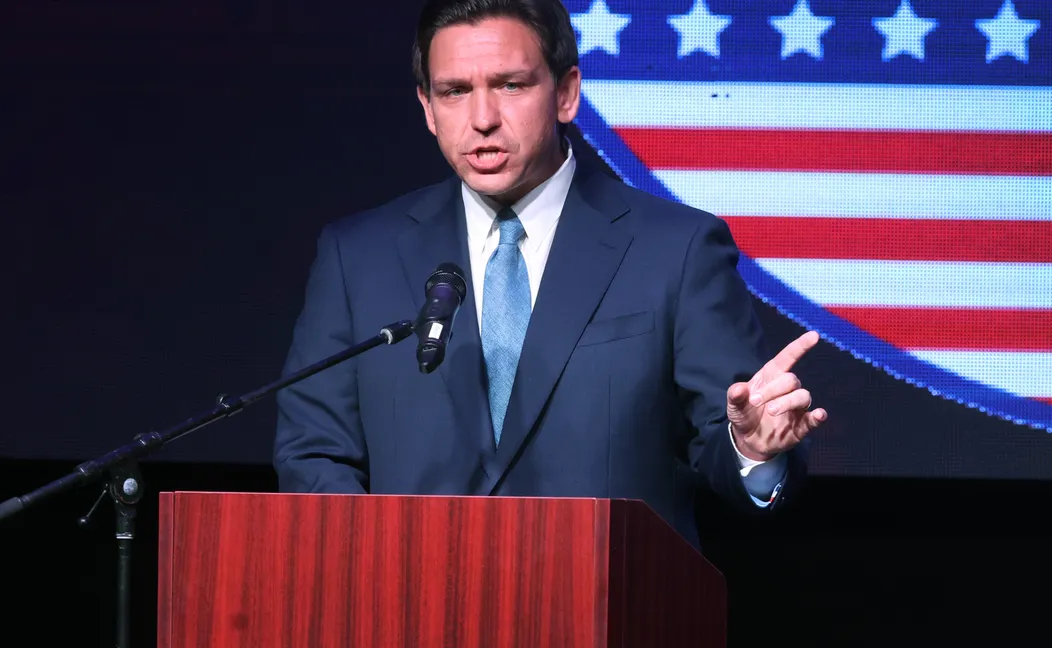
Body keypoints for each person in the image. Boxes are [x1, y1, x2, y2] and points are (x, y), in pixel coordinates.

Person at [273, 0, 827, 548]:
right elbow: (314, 452)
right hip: (404, 611)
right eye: (455, 91)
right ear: (427, 107)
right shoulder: (357, 256)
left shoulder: (676, 249)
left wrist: (751, 450)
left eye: (510, 85)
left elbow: (723, 440)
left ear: (565, 94)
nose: (482, 117)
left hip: (605, 612)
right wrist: (370, 565)